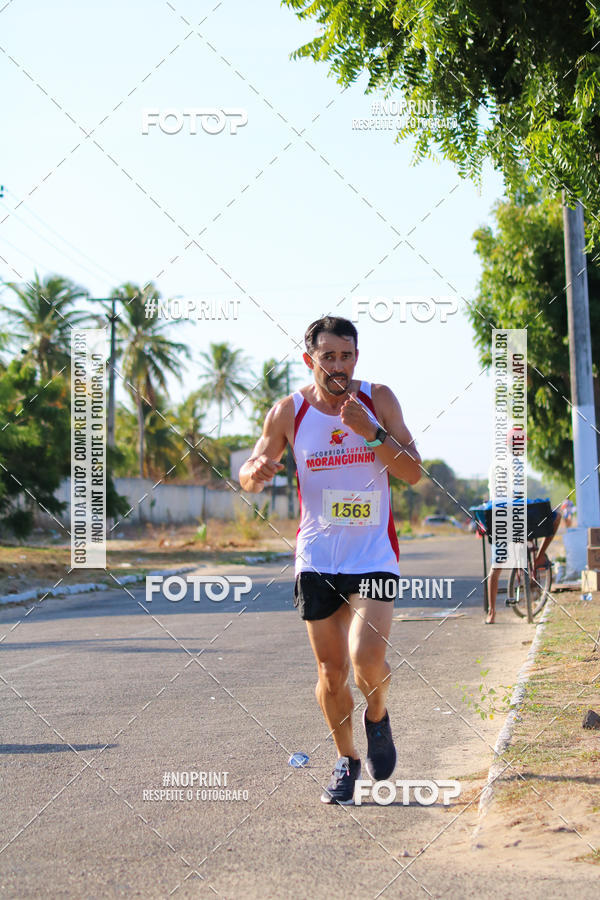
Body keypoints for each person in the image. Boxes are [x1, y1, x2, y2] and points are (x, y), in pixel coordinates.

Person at [239, 316, 421, 804]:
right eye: (328, 357)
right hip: (317, 555)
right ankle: (346, 760)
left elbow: (412, 472)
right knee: (331, 672)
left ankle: (377, 715)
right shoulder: (289, 411)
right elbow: (251, 473)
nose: (338, 366)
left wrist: (372, 432)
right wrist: (255, 472)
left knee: (368, 660)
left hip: (374, 552)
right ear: (309, 359)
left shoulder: (378, 399)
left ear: (356, 357)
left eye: (346, 356)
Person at [484, 430, 560, 624]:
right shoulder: (515, 464)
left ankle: (492, 612)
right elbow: (517, 495)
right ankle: (540, 555)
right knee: (556, 517)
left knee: (496, 566)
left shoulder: (495, 464)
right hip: (515, 515)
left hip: (498, 518)